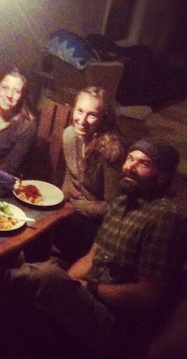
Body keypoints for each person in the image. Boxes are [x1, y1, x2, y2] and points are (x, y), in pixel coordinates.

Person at [6, 137, 187, 358]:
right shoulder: (121, 203)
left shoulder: (165, 216)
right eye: (130, 158)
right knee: (46, 271)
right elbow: (92, 257)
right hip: (91, 297)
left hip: (119, 325)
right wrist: (68, 282)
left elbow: (146, 296)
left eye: (144, 163)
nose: (130, 167)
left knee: (43, 273)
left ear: (162, 178)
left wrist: (86, 287)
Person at [54, 86, 125, 262]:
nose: (82, 120)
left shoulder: (110, 150)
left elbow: (112, 207)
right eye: (79, 110)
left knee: (61, 227)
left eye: (92, 115)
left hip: (97, 223)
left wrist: (73, 206)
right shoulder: (70, 135)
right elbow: (70, 176)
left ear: (104, 118)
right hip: (71, 208)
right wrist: (59, 201)